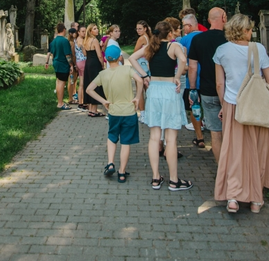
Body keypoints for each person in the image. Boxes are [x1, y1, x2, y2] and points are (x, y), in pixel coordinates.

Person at [213, 13, 269, 214]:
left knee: (234, 151)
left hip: (233, 105)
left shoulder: (222, 50)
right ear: (245, 30)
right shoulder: (258, 49)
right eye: (250, 29)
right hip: (257, 106)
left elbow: (220, 83)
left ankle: (233, 197)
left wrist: (224, 105)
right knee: (258, 151)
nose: (251, 32)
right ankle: (256, 199)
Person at [129, 21, 193, 191]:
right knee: (171, 139)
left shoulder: (151, 47)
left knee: (154, 137)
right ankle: (174, 180)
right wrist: (177, 77)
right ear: (170, 33)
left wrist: (144, 75)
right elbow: (183, 60)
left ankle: (156, 177)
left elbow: (132, 58)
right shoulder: (174, 46)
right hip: (170, 90)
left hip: (154, 90)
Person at [86, 45, 144, 183]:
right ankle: (122, 172)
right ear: (120, 57)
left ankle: (110, 163)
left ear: (106, 59)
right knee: (126, 141)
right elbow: (140, 80)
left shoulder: (103, 74)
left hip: (113, 112)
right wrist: (137, 97)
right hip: (129, 112)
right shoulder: (127, 69)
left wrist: (103, 101)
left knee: (112, 137)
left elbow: (89, 89)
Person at [187, 7, 228, 162]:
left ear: (209, 20)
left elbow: (192, 67)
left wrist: (192, 89)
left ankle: (220, 168)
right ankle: (232, 167)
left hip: (207, 90)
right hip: (229, 91)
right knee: (230, 131)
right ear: (224, 18)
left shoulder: (198, 39)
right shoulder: (229, 38)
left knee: (215, 133)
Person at [178, 12, 205, 148]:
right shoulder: (206, 36)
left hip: (192, 80)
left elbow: (183, 61)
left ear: (189, 25)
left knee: (194, 108)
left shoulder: (184, 40)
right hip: (208, 78)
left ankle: (199, 137)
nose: (183, 29)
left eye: (184, 26)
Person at [45, 23, 72, 110]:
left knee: (58, 82)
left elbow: (51, 52)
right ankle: (60, 103)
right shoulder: (64, 41)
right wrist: (71, 65)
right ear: (64, 30)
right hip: (63, 64)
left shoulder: (54, 41)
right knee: (62, 83)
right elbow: (67, 55)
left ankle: (60, 101)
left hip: (56, 62)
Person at [83, 23, 106, 117]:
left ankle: (91, 109)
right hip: (95, 63)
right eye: (95, 29)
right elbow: (99, 55)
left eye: (97, 28)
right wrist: (102, 64)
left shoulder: (86, 40)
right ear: (90, 31)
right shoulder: (95, 40)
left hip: (88, 62)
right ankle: (94, 110)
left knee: (89, 83)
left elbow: (85, 53)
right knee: (95, 84)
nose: (97, 30)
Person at [73, 25, 87, 108]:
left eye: (85, 31)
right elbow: (85, 53)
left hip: (79, 62)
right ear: (78, 32)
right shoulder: (81, 41)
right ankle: (83, 102)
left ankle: (80, 102)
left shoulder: (76, 40)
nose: (84, 33)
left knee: (81, 83)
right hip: (83, 61)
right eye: (82, 31)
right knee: (83, 83)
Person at [67, 28, 79, 104]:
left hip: (70, 64)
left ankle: (72, 96)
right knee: (71, 81)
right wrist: (74, 65)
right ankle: (70, 98)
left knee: (73, 81)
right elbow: (73, 55)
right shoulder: (72, 43)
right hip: (72, 64)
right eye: (75, 33)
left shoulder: (69, 42)